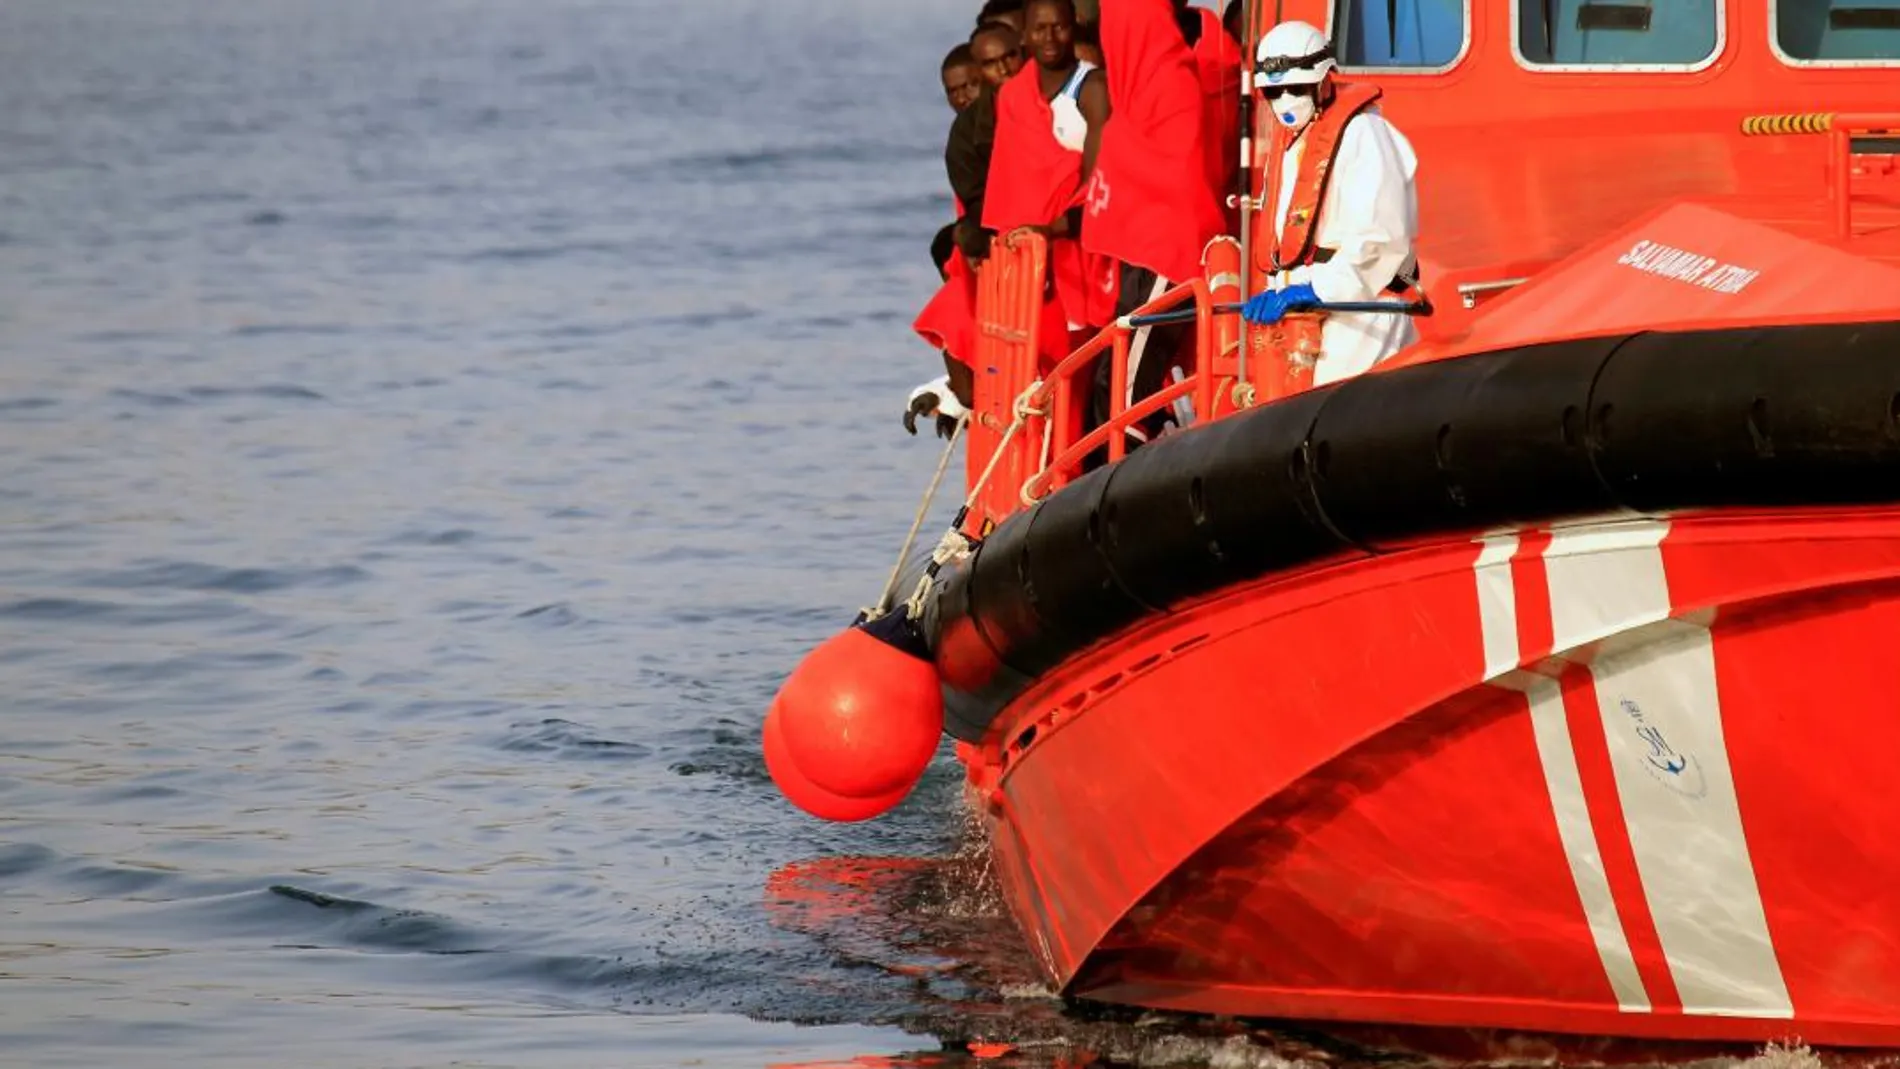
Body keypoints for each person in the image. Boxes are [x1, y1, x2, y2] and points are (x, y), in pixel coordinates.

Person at [1080, 0, 1238, 447]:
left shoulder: (1171, 86)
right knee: (1119, 364)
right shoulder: (1148, 83)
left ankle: (1117, 458)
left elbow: (1179, 177)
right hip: (1150, 243)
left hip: (1169, 247)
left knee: (1129, 378)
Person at [1240, 19, 1422, 386]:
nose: (1286, 101)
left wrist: (1316, 289)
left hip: (1362, 315)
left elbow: (1381, 238)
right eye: (1274, 94)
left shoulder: (1364, 135)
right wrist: (1278, 289)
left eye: (1296, 88)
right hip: (1307, 319)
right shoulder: (1292, 146)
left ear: (1324, 80)